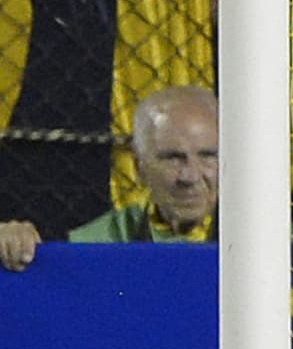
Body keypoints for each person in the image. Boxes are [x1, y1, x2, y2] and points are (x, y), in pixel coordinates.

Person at [0, 84, 218, 268]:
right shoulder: (97, 242)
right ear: (139, 168)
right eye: (173, 158)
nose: (190, 176)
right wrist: (14, 244)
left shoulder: (252, 232)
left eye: (208, 156)